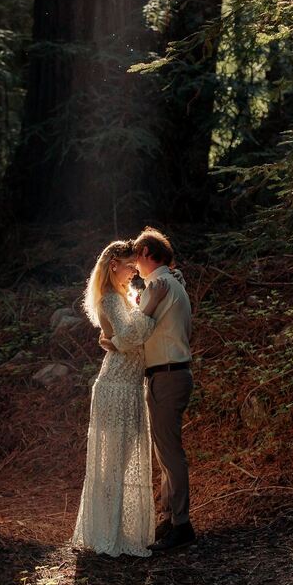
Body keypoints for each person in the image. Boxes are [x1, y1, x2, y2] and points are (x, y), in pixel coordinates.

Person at [71, 240, 169, 558]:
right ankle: (106, 534)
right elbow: (128, 338)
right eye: (130, 266)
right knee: (113, 463)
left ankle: (114, 530)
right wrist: (150, 311)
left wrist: (119, 335)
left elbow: (125, 337)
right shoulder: (112, 298)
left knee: (122, 462)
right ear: (114, 265)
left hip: (128, 386)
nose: (133, 272)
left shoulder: (124, 296)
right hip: (116, 386)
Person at [102, 227, 196, 552]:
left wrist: (112, 341)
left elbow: (132, 336)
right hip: (172, 374)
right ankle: (171, 519)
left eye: (136, 258)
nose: (134, 267)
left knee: (170, 454)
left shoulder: (159, 283)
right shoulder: (174, 282)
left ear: (145, 254)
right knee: (166, 452)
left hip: (168, 375)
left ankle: (181, 526)